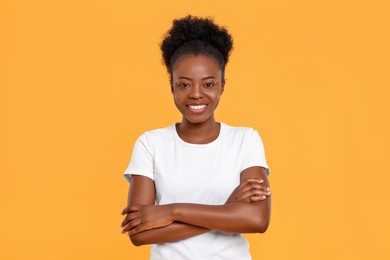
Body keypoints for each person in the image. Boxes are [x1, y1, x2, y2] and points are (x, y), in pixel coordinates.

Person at [120, 15, 272, 260]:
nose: (196, 95)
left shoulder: (245, 140)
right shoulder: (151, 144)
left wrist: (171, 212)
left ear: (222, 85)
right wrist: (228, 210)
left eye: (209, 85)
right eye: (184, 85)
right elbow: (138, 233)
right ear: (172, 86)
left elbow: (257, 219)